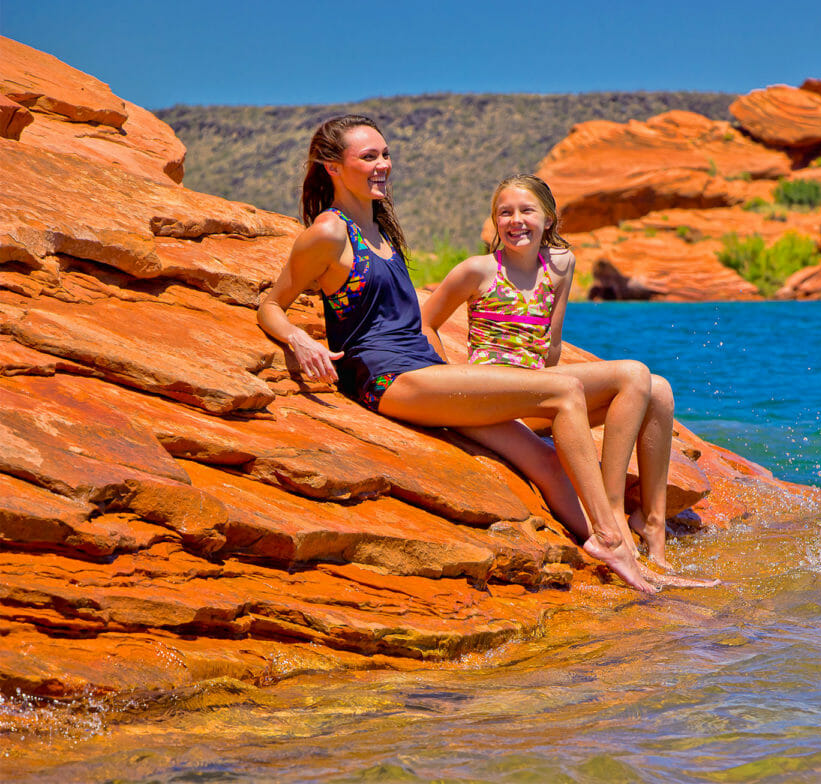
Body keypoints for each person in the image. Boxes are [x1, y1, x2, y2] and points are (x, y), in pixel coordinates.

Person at [256, 115, 656, 594]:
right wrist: (299, 339)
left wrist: (447, 365)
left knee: (548, 463)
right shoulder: (329, 233)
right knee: (564, 390)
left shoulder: (380, 228)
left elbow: (417, 323)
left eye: (384, 154)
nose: (383, 164)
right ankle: (611, 536)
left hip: (428, 374)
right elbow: (271, 303)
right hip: (386, 380)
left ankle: (629, 564)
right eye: (369, 157)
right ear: (332, 168)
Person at [421, 174, 683, 571]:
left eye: (527, 211)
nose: (515, 221)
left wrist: (563, 404)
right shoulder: (477, 270)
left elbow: (552, 346)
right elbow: (425, 324)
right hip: (490, 395)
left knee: (658, 390)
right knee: (633, 373)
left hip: (536, 393)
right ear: (494, 222)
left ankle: (652, 522)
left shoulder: (560, 264)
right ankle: (610, 511)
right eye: (504, 213)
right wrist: (446, 382)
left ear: (548, 219)